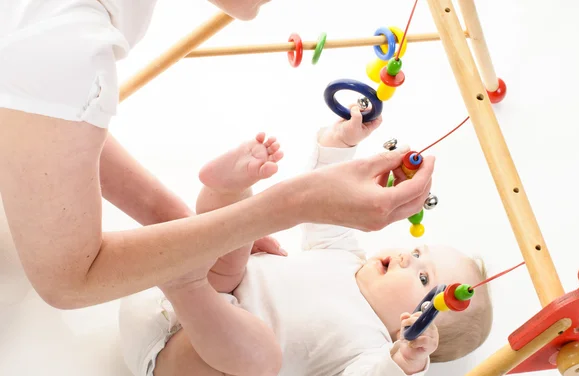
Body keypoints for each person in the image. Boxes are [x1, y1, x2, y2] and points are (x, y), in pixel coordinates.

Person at [0, 0, 434, 312]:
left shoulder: (69, 36)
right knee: (256, 361)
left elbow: (43, 126)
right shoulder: (65, 46)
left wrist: (187, 223)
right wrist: (286, 206)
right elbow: (68, 281)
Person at [118, 106, 493, 376]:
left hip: (180, 361)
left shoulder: (369, 350)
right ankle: (228, 192)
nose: (408, 259)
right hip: (191, 288)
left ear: (407, 327)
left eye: (423, 277)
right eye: (416, 251)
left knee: (260, 358)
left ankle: (188, 282)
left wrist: (406, 362)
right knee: (237, 243)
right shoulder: (342, 251)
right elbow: (329, 196)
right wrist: (341, 141)